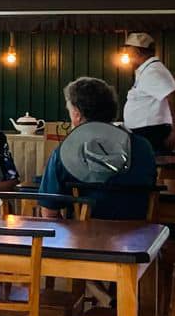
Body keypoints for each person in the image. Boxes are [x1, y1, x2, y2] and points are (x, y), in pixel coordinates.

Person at [37, 77, 157, 219]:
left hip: (84, 232)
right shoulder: (143, 146)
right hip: (139, 231)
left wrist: (73, 229)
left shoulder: (65, 152)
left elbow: (49, 212)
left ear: (77, 114)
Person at [121, 32, 175, 152]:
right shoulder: (148, 70)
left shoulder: (153, 72)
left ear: (137, 52)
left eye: (129, 52)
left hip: (151, 133)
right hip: (146, 132)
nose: (128, 57)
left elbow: (173, 97)